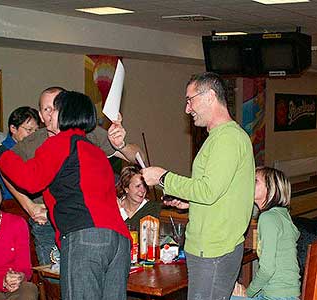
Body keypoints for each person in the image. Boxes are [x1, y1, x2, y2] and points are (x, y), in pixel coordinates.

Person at [0, 91, 131, 300]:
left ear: (66, 114)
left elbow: (30, 180)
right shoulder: (94, 150)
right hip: (119, 242)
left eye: (54, 110)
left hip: (85, 236)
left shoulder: (61, 142)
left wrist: (0, 153)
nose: (48, 115)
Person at [142, 72, 255, 300]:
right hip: (212, 247)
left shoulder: (227, 139)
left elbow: (208, 190)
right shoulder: (221, 137)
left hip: (214, 250)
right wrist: (191, 203)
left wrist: (164, 178)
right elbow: (219, 194)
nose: (187, 109)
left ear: (210, 96)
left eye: (190, 99)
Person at [4, 86, 143, 265]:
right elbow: (6, 168)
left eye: (57, 107)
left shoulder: (88, 132)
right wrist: (29, 206)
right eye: (47, 109)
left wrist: (121, 144)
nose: (52, 113)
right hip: (46, 221)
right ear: (40, 114)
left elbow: (138, 158)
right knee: (56, 285)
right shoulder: (31, 142)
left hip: (87, 224)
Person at [231, 167, 301, 300]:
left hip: (276, 297)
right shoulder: (282, 215)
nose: (249, 183)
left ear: (271, 189)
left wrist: (248, 293)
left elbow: (267, 269)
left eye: (255, 181)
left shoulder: (268, 218)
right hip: (288, 294)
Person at [0, 106, 40, 200]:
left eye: (36, 130)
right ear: (13, 128)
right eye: (29, 130)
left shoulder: (37, 148)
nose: (34, 135)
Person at [116, 165, 162, 231]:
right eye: (138, 186)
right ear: (126, 188)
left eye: (145, 186)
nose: (143, 190)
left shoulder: (153, 208)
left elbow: (135, 234)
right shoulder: (113, 206)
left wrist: (121, 211)